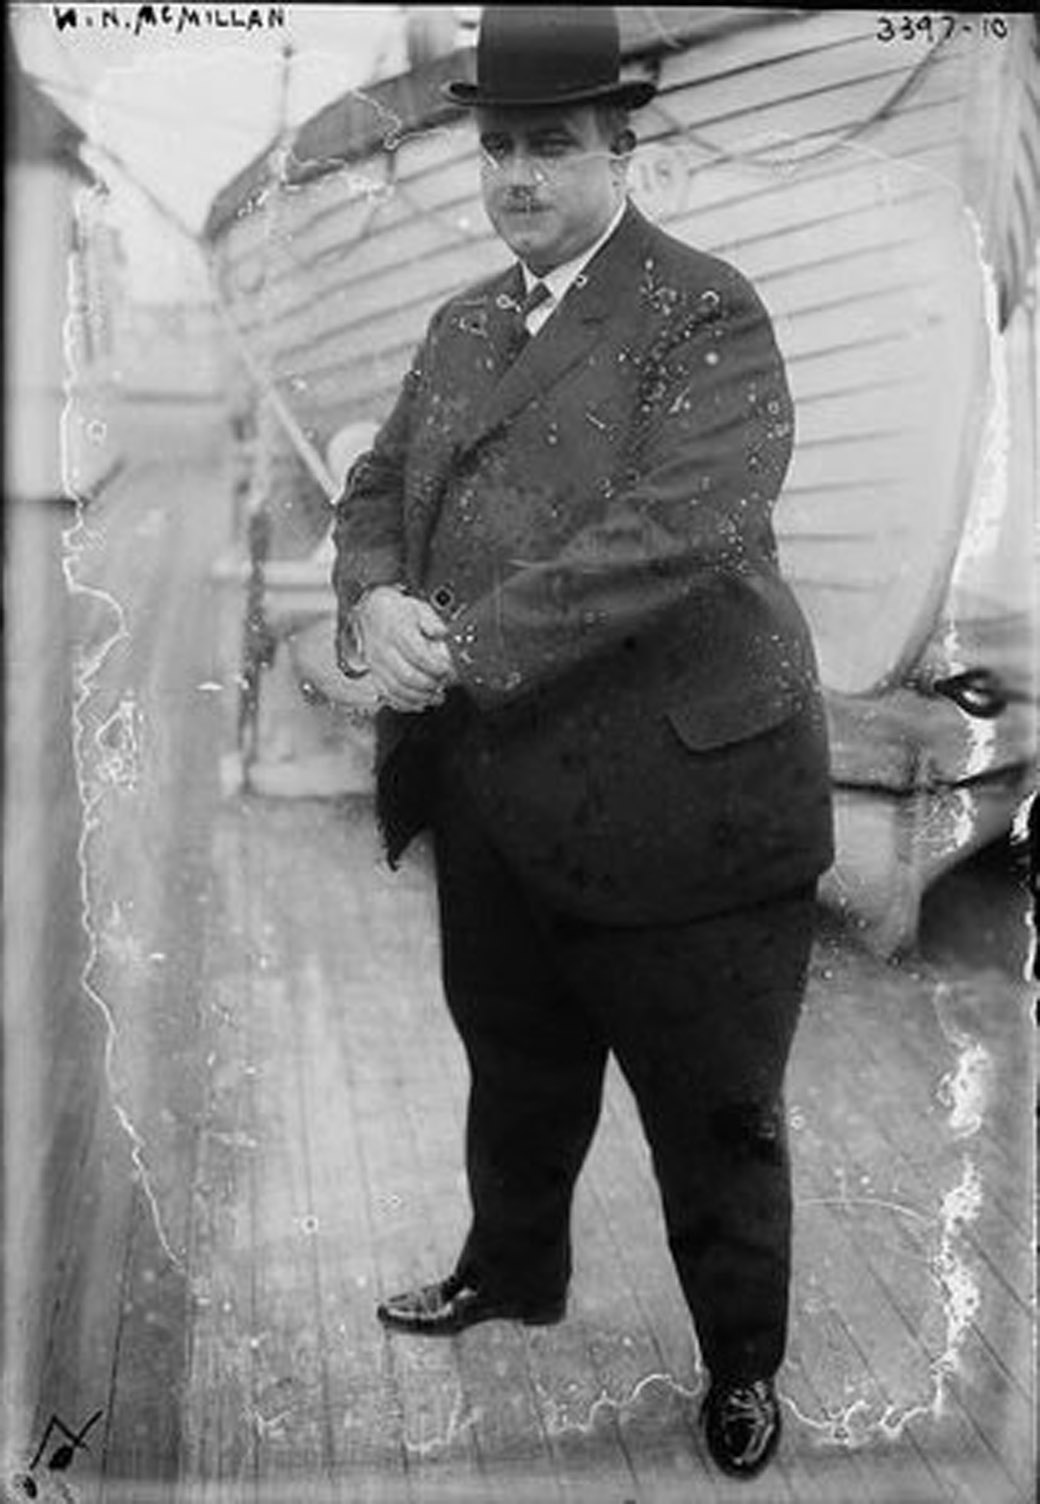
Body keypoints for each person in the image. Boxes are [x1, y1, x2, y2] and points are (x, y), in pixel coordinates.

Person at [331, 5, 834, 1482]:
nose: (517, 178)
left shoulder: (707, 312)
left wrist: (459, 642)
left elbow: (680, 528)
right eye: (497, 148)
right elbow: (376, 488)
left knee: (713, 1110)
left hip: (689, 799)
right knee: (515, 1059)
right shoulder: (463, 324)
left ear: (623, 146)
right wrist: (373, 599)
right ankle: (511, 1269)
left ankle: (741, 1367)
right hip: (501, 790)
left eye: (549, 146)